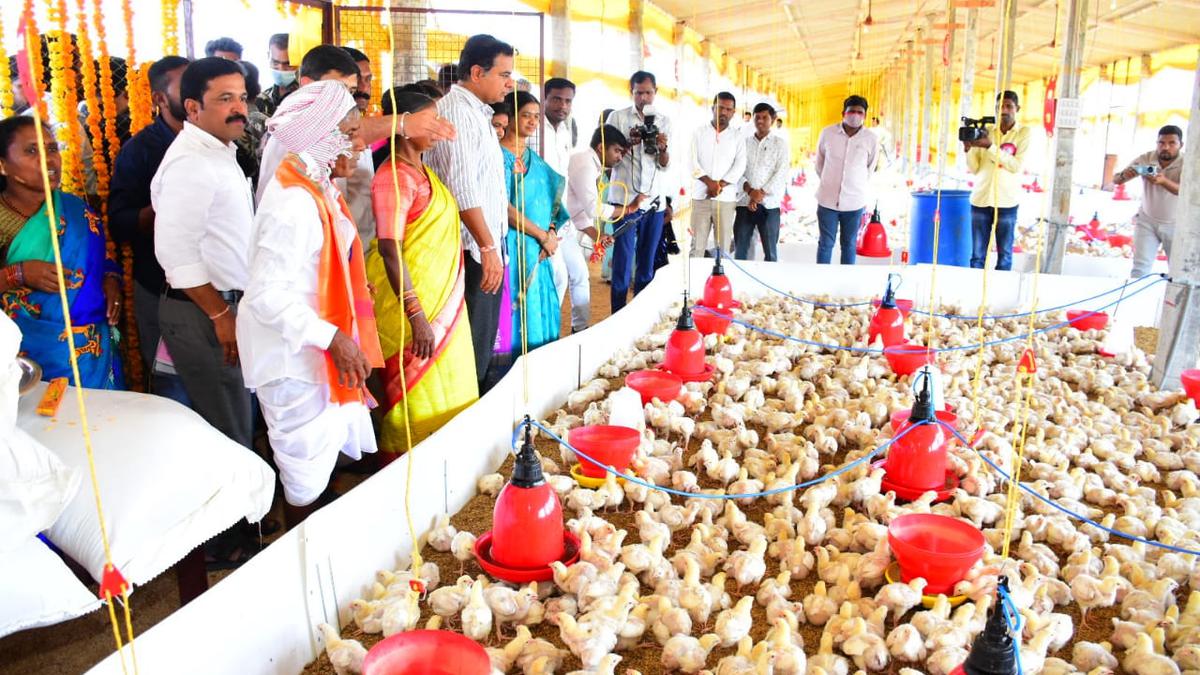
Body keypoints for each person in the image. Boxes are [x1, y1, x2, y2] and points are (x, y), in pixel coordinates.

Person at [238, 81, 382, 523]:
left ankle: (318, 534)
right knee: (302, 472)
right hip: (294, 357)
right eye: (350, 131)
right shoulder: (294, 203)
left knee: (320, 461)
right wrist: (334, 336)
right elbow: (266, 294)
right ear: (321, 138)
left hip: (314, 345)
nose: (360, 143)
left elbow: (326, 266)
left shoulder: (317, 188)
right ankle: (300, 551)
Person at [367, 88, 478, 459]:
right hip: (414, 311)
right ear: (405, 125)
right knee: (416, 401)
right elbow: (389, 247)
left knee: (450, 389)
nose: (441, 127)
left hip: (440, 304)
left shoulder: (421, 171)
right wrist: (416, 315)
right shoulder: (395, 178)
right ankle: (408, 473)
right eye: (432, 120)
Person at [151, 57, 254, 448]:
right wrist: (220, 314)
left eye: (242, 98)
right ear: (192, 107)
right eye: (225, 99)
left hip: (221, 306)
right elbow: (176, 254)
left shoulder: (218, 152)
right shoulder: (191, 163)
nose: (239, 108)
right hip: (205, 310)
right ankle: (242, 511)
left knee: (235, 412)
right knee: (227, 425)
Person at [0, 116, 123, 389]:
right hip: (25, 357)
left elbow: (99, 261)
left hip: (92, 351)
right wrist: (17, 274)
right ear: (3, 165)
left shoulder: (75, 208)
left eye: (52, 149)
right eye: (31, 151)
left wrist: (110, 280)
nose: (49, 160)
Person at [424, 35, 514, 392]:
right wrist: (488, 247)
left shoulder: (479, 112)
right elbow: (463, 189)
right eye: (504, 74)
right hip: (471, 250)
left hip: (485, 244)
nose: (510, 83)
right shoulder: (458, 112)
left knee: (485, 339)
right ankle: (466, 419)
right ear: (477, 72)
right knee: (472, 344)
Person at [108, 55, 192, 402]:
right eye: (185, 86)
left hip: (214, 290)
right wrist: (160, 211)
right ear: (159, 98)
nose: (195, 93)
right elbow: (119, 222)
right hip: (158, 286)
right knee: (171, 388)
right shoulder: (139, 151)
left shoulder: (220, 143)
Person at [255, 45, 360, 206]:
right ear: (307, 84)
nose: (345, 100)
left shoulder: (329, 129)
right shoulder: (295, 124)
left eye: (350, 92)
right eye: (337, 89)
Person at [499, 92, 564, 352]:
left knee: (539, 302)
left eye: (536, 116)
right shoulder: (498, 156)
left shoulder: (533, 159)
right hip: (513, 246)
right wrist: (541, 235)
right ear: (511, 116)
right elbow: (501, 206)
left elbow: (552, 200)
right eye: (526, 115)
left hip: (538, 248)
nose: (532, 121)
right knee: (515, 306)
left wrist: (549, 233)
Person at [607, 71, 671, 312]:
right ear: (631, 92)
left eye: (648, 92)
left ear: (656, 92)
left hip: (654, 202)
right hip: (624, 202)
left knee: (646, 263)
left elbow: (665, 164)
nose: (644, 98)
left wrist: (662, 147)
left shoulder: (665, 121)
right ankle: (617, 314)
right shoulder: (617, 117)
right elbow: (608, 158)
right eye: (638, 92)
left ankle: (640, 314)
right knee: (622, 263)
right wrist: (628, 143)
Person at [564, 124, 631, 332]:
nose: (619, 157)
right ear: (602, 147)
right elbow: (593, 208)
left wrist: (597, 235)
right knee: (562, 282)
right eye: (617, 151)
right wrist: (627, 210)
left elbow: (575, 208)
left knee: (578, 277)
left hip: (564, 227)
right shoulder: (586, 164)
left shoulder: (590, 164)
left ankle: (580, 328)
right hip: (554, 229)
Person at [965, 90, 1030, 271]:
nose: (1004, 110)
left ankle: (999, 295)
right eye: (1000, 106)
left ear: (1017, 108)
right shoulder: (986, 132)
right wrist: (968, 148)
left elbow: (1015, 165)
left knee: (1005, 256)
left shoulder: (1023, 134)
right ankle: (976, 293)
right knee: (977, 256)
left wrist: (990, 146)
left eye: (1009, 106)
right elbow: (974, 168)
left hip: (1007, 202)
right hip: (981, 199)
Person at [815, 94, 878, 265]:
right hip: (827, 199)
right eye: (852, 111)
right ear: (844, 113)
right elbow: (819, 163)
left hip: (854, 202)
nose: (855, 115)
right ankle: (819, 282)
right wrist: (830, 181)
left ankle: (844, 283)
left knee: (849, 244)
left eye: (860, 112)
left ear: (864, 116)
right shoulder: (827, 133)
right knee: (825, 244)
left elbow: (870, 168)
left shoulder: (871, 139)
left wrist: (854, 183)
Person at [1115, 125, 1184, 277]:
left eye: (1172, 143)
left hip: (1176, 224)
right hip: (1147, 220)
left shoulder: (1187, 162)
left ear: (1180, 145)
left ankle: (1172, 301)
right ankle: (1134, 299)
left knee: (1177, 271)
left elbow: (1187, 192)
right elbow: (1116, 179)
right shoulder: (1146, 158)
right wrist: (1126, 175)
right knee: (1140, 268)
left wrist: (1164, 181)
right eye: (1161, 143)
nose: (1165, 147)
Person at [689, 91, 746, 257]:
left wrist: (720, 185)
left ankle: (720, 283)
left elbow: (740, 164)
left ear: (733, 113)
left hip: (726, 199)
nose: (723, 112)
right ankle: (695, 283)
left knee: (723, 249)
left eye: (728, 109)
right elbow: (691, 161)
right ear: (713, 108)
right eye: (720, 108)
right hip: (701, 197)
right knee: (697, 247)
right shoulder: (699, 132)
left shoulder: (737, 137)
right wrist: (709, 183)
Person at [734, 102, 790, 262]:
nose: (760, 121)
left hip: (769, 205)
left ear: (772, 119)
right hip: (745, 203)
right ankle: (742, 282)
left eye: (764, 117)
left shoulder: (780, 144)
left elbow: (781, 172)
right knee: (741, 250)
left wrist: (761, 194)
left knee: (770, 252)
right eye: (757, 117)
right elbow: (737, 171)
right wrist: (751, 192)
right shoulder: (744, 143)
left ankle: (768, 285)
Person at [337, 46, 377, 246]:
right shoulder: (333, 133)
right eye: (357, 81)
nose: (363, 88)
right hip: (344, 248)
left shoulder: (358, 123)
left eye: (368, 79)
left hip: (365, 247)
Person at [257, 33, 299, 118]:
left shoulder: (306, 97)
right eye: (275, 62)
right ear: (268, 56)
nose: (281, 69)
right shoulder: (262, 98)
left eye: (288, 64)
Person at [542, 78, 578, 177]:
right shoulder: (532, 128)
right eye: (557, 99)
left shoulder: (565, 133)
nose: (563, 106)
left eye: (568, 101)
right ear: (543, 99)